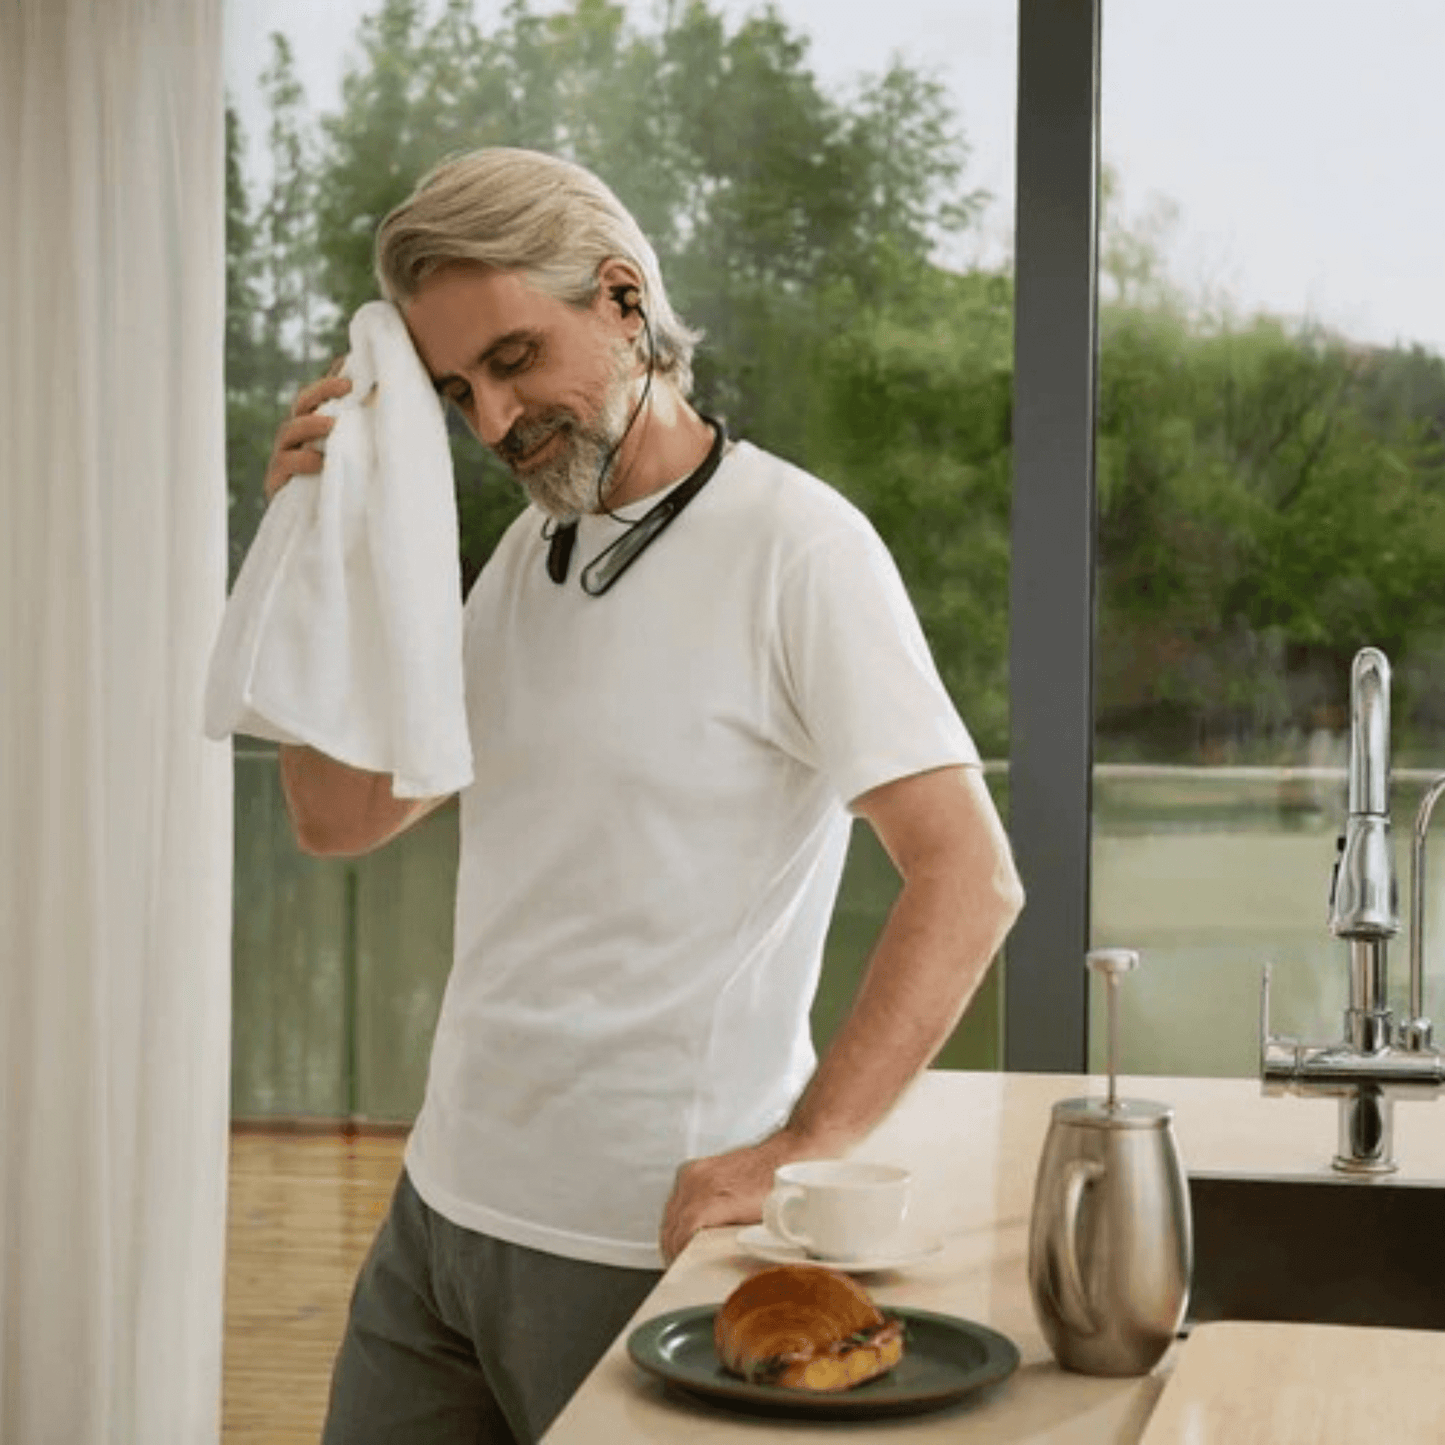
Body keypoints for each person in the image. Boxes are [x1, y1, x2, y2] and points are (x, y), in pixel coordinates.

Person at [264, 147, 1025, 1445]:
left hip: (636, 1250)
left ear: (623, 299)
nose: (494, 423)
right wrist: (315, 563)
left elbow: (969, 876)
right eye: (459, 392)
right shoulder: (527, 554)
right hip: (437, 1226)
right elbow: (339, 816)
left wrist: (800, 1149)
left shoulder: (799, 549)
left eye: (513, 360)